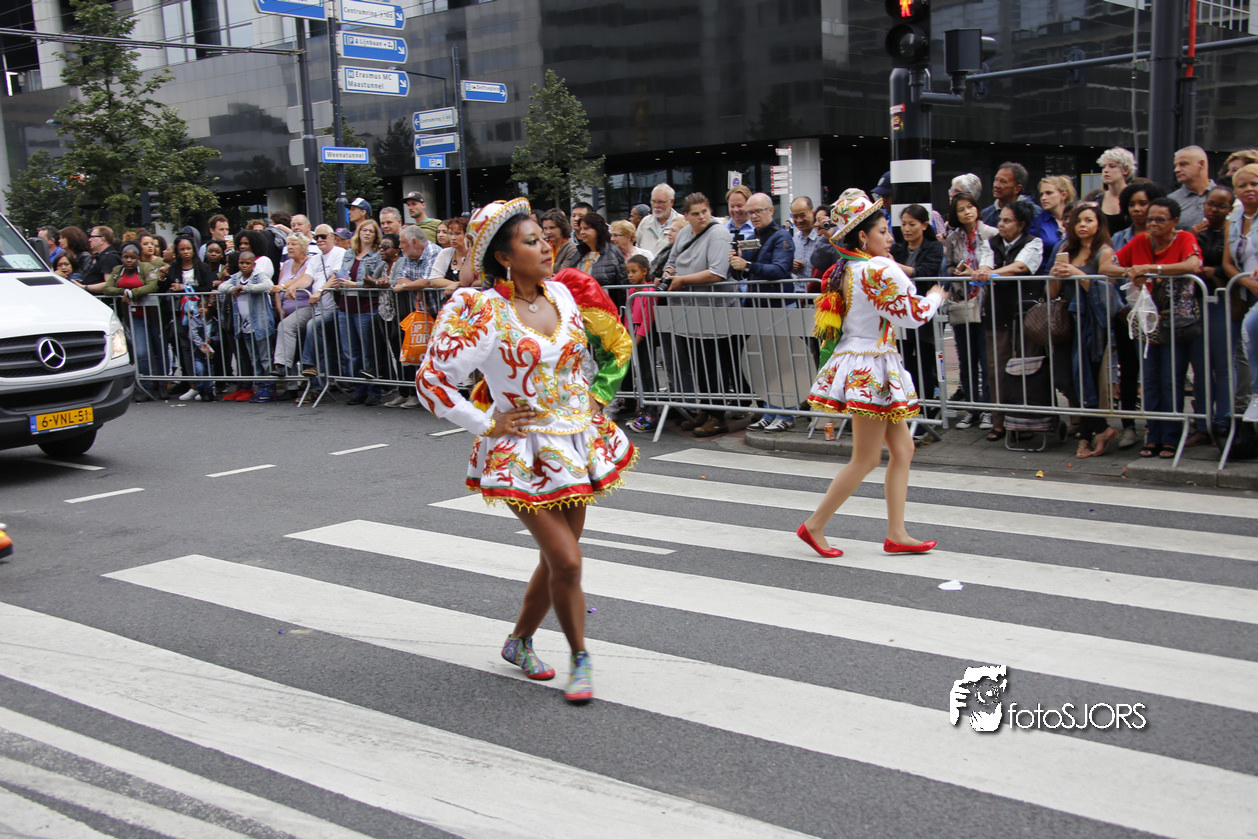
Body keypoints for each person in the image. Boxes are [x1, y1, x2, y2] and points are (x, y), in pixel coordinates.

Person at [417, 197, 635, 705]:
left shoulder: (561, 294)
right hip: (521, 450)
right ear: (504, 257)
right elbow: (432, 381)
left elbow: (587, 358)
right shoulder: (480, 310)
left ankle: (518, 641)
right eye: (532, 241)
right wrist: (486, 422)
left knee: (558, 559)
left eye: (544, 237)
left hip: (575, 441)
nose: (546, 246)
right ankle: (581, 658)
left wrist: (593, 400)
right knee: (568, 561)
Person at [799, 192, 944, 557]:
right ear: (863, 236)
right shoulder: (876, 269)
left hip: (866, 362)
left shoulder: (847, 269)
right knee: (866, 458)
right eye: (883, 231)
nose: (890, 237)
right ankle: (814, 525)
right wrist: (936, 297)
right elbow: (912, 314)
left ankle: (897, 532)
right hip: (871, 367)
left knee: (903, 448)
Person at [1104, 197, 1204, 456]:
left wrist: (1152, 268)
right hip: (1146, 320)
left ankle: (1171, 436)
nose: (1153, 224)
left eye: (1160, 219)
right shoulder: (1140, 241)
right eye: (1150, 219)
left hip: (1176, 322)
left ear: (1174, 221)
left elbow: (1193, 265)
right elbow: (1107, 265)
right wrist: (1129, 272)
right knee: (1149, 380)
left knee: (1171, 379)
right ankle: (1153, 435)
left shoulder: (1184, 238)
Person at [661, 192, 736, 437]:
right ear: (686, 216)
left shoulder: (719, 233)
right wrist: (669, 273)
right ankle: (705, 409)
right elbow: (672, 261)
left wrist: (682, 280)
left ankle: (718, 417)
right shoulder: (684, 233)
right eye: (696, 213)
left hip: (714, 311)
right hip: (689, 312)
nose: (702, 216)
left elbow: (717, 273)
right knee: (698, 364)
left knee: (714, 365)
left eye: (705, 211)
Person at [1049, 203, 1119, 457]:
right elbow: (1052, 292)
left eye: (1088, 220)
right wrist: (1055, 274)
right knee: (1064, 378)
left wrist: (1076, 273)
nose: (1082, 225)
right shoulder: (1065, 250)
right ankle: (1101, 428)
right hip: (1066, 322)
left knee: (1087, 379)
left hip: (1091, 324)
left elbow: (1107, 293)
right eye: (1078, 221)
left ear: (1099, 224)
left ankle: (1086, 438)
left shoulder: (1104, 252)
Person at [973, 200, 1043, 441]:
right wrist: (985, 271)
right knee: (996, 369)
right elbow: (985, 263)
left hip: (1026, 314)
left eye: (1008, 220)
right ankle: (999, 422)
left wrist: (991, 273)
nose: (1001, 224)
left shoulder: (1033, 242)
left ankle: (1026, 422)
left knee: (1026, 366)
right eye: (1000, 219)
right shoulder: (990, 243)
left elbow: (1021, 267)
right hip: (997, 313)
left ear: (1021, 224)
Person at [1109, 179, 1167, 448]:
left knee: (1158, 371)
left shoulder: (1166, 236)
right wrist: (1128, 273)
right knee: (1129, 370)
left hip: (1160, 313)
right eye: (1131, 204)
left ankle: (1160, 426)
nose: (1137, 209)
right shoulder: (1121, 238)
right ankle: (1129, 426)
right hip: (1127, 313)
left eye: (1143, 203)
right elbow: (1109, 269)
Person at [943, 191, 996, 428]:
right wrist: (957, 273)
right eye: (961, 209)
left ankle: (989, 409)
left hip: (986, 303)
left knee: (986, 358)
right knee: (966, 358)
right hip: (962, 301)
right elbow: (948, 266)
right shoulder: (953, 238)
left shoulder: (990, 233)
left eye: (970, 207)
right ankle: (972, 409)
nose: (967, 212)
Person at [890, 204, 945, 427]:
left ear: (924, 225)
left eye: (912, 224)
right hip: (902, 315)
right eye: (903, 224)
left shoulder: (934, 247)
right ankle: (909, 408)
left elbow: (926, 272)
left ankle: (927, 411)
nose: (907, 229)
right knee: (905, 363)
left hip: (924, 315)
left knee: (925, 363)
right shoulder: (898, 248)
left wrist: (894, 266)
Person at [1194, 185, 1240, 439]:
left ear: (1230, 209)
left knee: (1223, 364)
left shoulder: (1234, 233)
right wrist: (1191, 236)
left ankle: (1223, 422)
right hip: (1197, 302)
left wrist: (1216, 272)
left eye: (1221, 206)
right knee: (1201, 366)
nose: (1213, 210)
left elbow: (1238, 263)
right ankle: (1203, 423)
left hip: (1224, 300)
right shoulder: (1196, 232)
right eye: (1210, 204)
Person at [1221, 164, 1258, 423]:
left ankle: (1256, 393)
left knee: (1252, 327)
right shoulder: (1233, 219)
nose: (1249, 189)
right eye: (1242, 185)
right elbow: (1227, 262)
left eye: (1254, 183)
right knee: (1243, 347)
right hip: (1246, 291)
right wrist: (1247, 282)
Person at [335, 219, 386, 405]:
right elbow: (343, 274)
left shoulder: (377, 255)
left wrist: (353, 284)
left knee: (368, 352)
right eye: (364, 230)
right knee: (350, 351)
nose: (367, 234)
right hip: (346, 306)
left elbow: (375, 281)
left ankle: (374, 389)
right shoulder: (349, 253)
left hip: (366, 306)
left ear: (376, 235)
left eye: (371, 231)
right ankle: (359, 389)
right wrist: (339, 281)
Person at [218, 250, 277, 403]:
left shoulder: (258, 276)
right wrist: (232, 289)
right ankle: (261, 387)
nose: (244, 266)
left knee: (265, 358)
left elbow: (268, 285)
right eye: (241, 263)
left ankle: (270, 388)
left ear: (253, 264)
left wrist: (245, 288)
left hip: (260, 325)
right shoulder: (236, 278)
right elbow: (222, 287)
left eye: (247, 263)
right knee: (254, 358)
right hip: (244, 325)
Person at [270, 233, 317, 382]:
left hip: (305, 307)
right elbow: (278, 289)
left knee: (286, 327)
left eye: (294, 244)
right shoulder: (286, 264)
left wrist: (283, 286)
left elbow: (299, 279)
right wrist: (279, 309)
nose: (289, 247)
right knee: (286, 337)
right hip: (286, 310)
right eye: (288, 244)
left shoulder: (310, 263)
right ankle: (290, 386)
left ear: (303, 247)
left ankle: (281, 365)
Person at [568, 212, 628, 299]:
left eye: (586, 228)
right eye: (580, 229)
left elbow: (622, 285)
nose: (582, 232)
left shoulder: (612, 252)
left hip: (604, 304)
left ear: (598, 229)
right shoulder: (579, 252)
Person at [1169, 146, 1214, 233]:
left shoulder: (1224, 196)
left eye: (1183, 164)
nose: (1176, 170)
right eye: (1176, 165)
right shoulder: (1171, 201)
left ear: (1201, 164)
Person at [1031, 175, 1076, 254]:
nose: (1043, 198)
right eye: (1041, 194)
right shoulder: (1036, 221)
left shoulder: (1077, 219)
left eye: (1049, 193)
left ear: (1064, 195)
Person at [982, 162, 1036, 227]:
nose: (996, 185)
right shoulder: (985, 215)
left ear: (1017, 188)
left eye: (1003, 181)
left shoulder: (1034, 213)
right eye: (996, 180)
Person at [635, 183, 682, 256]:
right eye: (653, 201)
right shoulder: (645, 222)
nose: (656, 205)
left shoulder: (682, 223)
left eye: (661, 202)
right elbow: (637, 250)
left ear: (671, 202)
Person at [426, 216, 470, 292]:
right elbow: (434, 280)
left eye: (457, 233)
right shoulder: (445, 252)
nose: (453, 238)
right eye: (450, 233)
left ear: (467, 234)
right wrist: (456, 284)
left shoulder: (476, 253)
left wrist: (459, 285)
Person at [1097, 148, 1136, 234]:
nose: (1106, 170)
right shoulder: (1097, 199)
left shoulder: (1134, 197)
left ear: (1125, 170)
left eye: (1112, 166)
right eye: (1104, 166)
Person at [82, 225, 122, 295]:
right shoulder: (102, 256)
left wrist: (85, 287)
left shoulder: (109, 257)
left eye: (93, 237)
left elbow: (110, 284)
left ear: (102, 240)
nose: (89, 240)